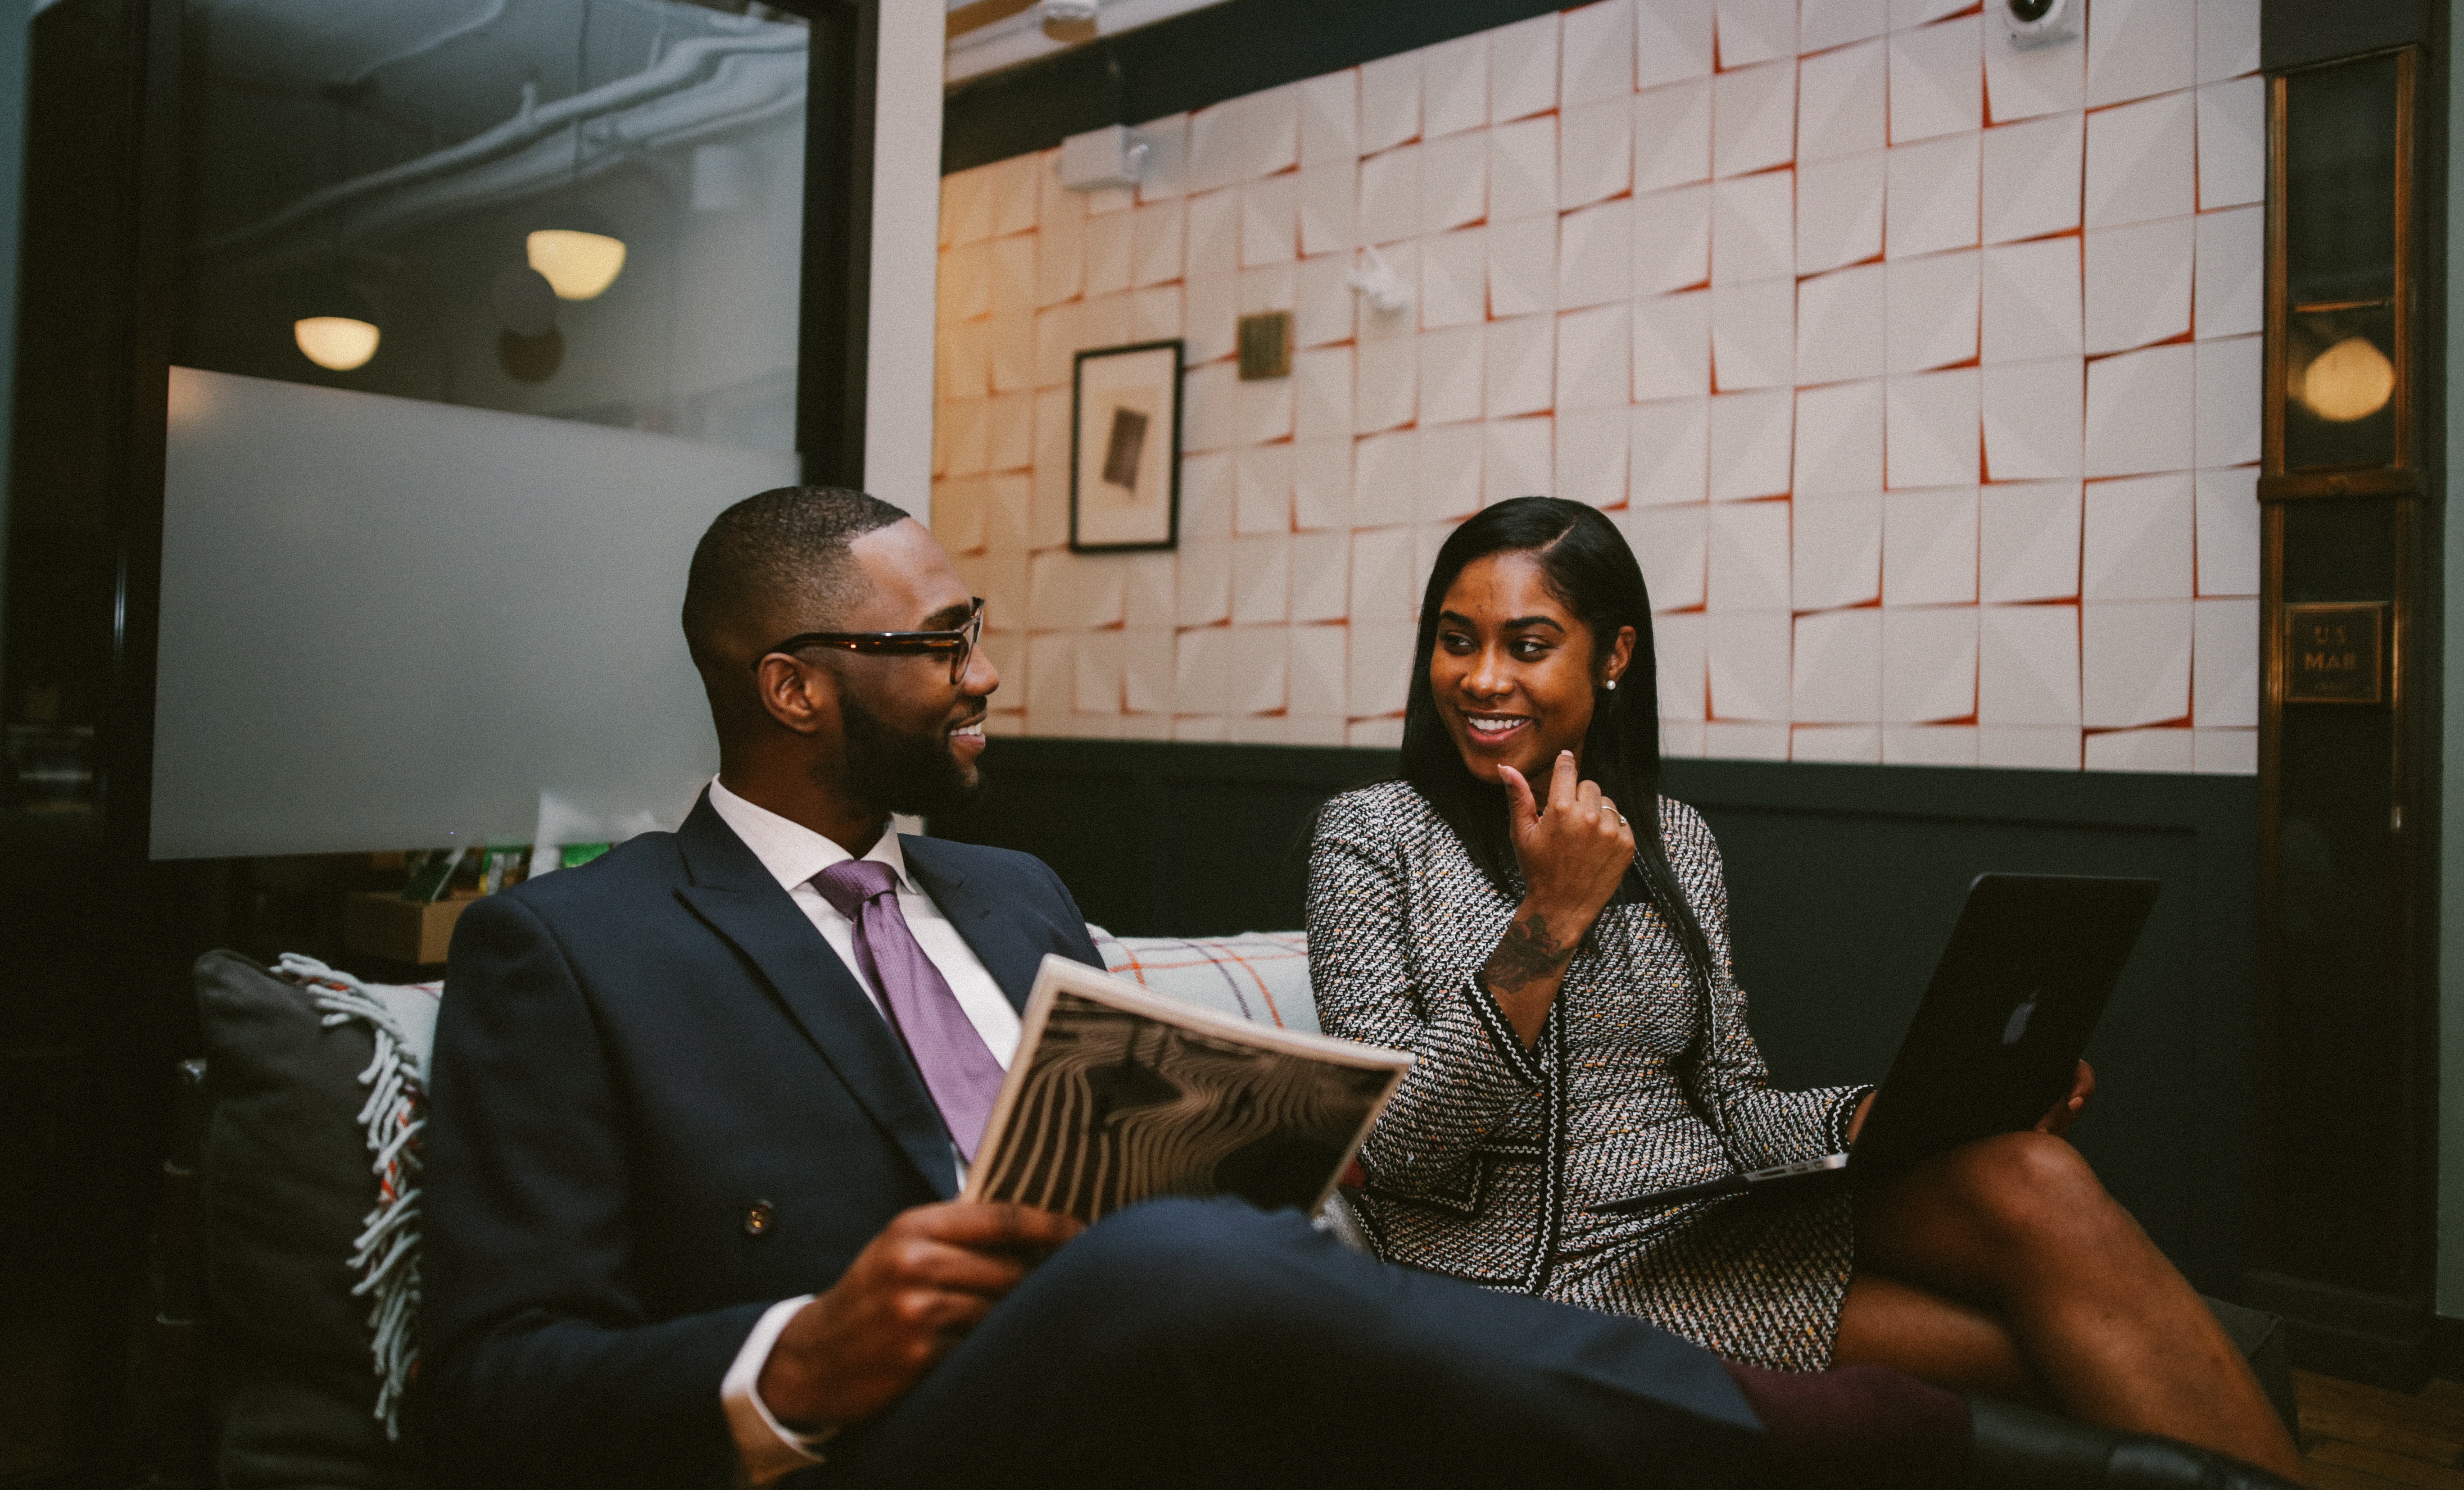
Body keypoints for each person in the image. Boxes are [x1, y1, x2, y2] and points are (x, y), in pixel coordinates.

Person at [421, 485, 2303, 1490]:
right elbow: (489, 1385)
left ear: (1610, 666)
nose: (990, 671)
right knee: (1192, 1260)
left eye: (977, 630)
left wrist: (1880, 1123)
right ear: (798, 684)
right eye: (947, 640)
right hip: (939, 1417)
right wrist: (790, 1357)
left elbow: (1712, 1107)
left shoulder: (1009, 892)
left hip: (1217, 1341)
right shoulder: (574, 948)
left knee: (2022, 1198)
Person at [1304, 495, 2306, 1484]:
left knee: (2025, 1170)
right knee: (2070, 1356)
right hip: (1526, 1281)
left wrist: (1886, 1113)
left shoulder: (1677, 843)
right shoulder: (1370, 837)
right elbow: (1394, 1147)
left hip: (1697, 1233)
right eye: (1456, 640)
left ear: (1613, 657)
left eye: (1527, 645)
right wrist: (1550, 920)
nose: (1482, 678)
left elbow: (1732, 1105)